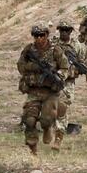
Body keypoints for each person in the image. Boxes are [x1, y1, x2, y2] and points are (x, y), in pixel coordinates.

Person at [17, 22, 69, 155]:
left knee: (46, 120)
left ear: (46, 35)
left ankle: (47, 129)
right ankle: (33, 149)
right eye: (36, 35)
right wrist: (33, 67)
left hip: (50, 92)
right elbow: (21, 66)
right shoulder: (29, 50)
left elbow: (65, 67)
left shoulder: (55, 50)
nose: (39, 38)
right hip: (34, 91)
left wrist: (58, 76)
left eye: (41, 35)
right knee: (29, 120)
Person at [51, 20, 86, 151]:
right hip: (52, 80)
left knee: (62, 108)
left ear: (71, 32)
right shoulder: (53, 44)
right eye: (62, 30)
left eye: (67, 30)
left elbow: (82, 64)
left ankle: (58, 139)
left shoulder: (77, 46)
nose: (64, 33)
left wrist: (78, 69)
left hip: (67, 83)